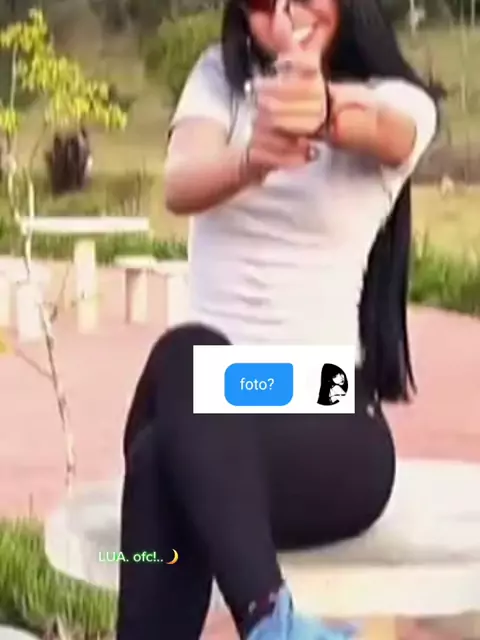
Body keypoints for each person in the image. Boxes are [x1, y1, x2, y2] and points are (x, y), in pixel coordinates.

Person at [116, 0, 438, 637]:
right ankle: (274, 622)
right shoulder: (220, 78)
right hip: (215, 409)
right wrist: (251, 161)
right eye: (263, 5)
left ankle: (274, 624)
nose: (285, 17)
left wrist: (321, 108)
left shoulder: (399, 99)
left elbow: (387, 130)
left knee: (172, 410)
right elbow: (180, 182)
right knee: (183, 384)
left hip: (325, 397)